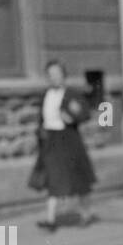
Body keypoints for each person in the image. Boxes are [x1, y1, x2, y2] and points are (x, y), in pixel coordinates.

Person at [32, 60, 97, 230]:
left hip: (69, 138)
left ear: (63, 76)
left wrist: (71, 117)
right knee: (53, 178)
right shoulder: (45, 95)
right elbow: (41, 118)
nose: (54, 78)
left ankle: (86, 214)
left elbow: (85, 113)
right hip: (51, 140)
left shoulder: (72, 94)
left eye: (57, 74)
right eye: (50, 74)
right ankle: (50, 219)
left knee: (78, 178)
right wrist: (40, 133)